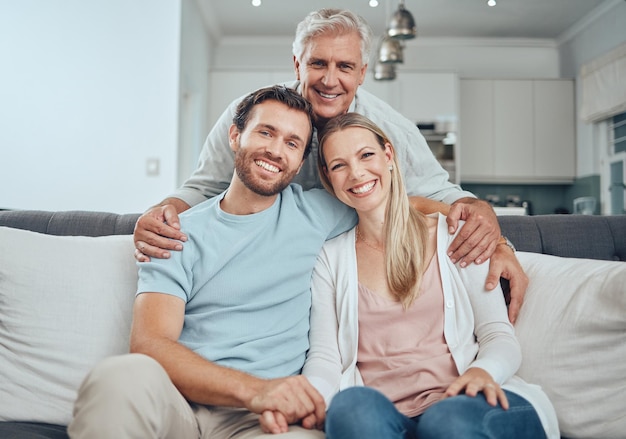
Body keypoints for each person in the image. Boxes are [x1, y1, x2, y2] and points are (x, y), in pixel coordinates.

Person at [132, 8, 528, 323]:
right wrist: (162, 211)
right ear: (297, 64)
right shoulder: (252, 115)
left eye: (345, 67)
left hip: (355, 272)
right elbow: (203, 187)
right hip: (267, 269)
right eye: (318, 63)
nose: (330, 79)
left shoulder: (389, 129)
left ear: (362, 73)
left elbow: (440, 196)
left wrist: (496, 237)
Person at [68, 86, 359, 438]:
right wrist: (255, 390)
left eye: (292, 143)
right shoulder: (174, 232)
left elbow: (395, 205)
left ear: (300, 163)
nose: (276, 150)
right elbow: (150, 343)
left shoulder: (316, 213)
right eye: (265, 132)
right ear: (235, 136)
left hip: (264, 423)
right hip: (181, 407)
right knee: (118, 376)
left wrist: (447, 207)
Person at [297, 113, 559, 439]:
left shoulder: (456, 236)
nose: (357, 172)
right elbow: (325, 357)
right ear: (328, 176)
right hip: (385, 415)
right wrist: (309, 398)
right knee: (350, 409)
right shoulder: (329, 257)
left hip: (466, 404)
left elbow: (498, 336)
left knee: (445, 422)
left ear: (388, 155)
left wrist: (482, 371)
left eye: (366, 155)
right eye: (339, 165)